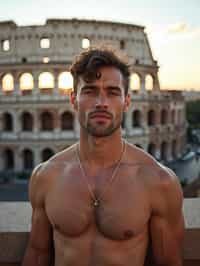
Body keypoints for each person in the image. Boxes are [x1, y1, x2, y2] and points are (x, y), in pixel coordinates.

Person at [22, 46, 184, 266]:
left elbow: (169, 262)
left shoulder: (158, 181)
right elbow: (37, 254)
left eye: (112, 92)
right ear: (73, 99)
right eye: (89, 91)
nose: (101, 102)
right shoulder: (45, 176)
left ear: (126, 101)